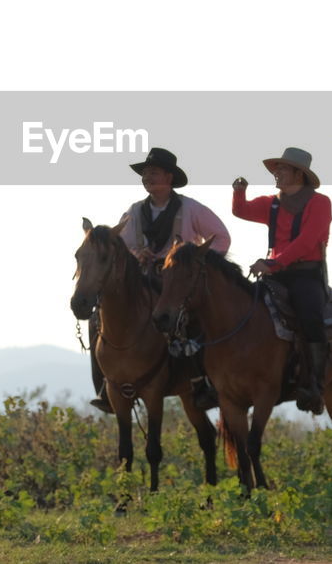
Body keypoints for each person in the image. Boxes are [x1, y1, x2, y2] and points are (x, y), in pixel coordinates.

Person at [88, 147, 231, 414]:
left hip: (176, 282)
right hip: (141, 280)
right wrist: (135, 253)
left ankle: (201, 383)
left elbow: (222, 237)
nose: (147, 177)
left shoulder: (190, 208)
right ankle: (106, 387)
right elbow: (121, 247)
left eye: (153, 172)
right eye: (145, 174)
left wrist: (196, 263)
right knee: (99, 318)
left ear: (169, 177)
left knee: (197, 320)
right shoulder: (134, 211)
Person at [232, 147, 331, 414]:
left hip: (306, 274)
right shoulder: (271, 203)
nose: (277, 172)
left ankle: (315, 385)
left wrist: (273, 263)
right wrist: (239, 190)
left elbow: (307, 241)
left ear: (299, 174)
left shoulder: (320, 202)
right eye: (277, 168)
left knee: (310, 316)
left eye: (283, 168)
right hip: (275, 273)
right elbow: (241, 211)